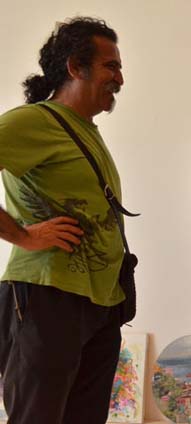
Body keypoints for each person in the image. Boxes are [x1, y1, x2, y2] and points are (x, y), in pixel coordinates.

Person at [0, 17, 129, 424]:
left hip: (100, 304)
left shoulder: (85, 128)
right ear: (76, 66)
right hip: (48, 296)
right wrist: (23, 236)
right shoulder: (34, 120)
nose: (120, 78)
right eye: (111, 66)